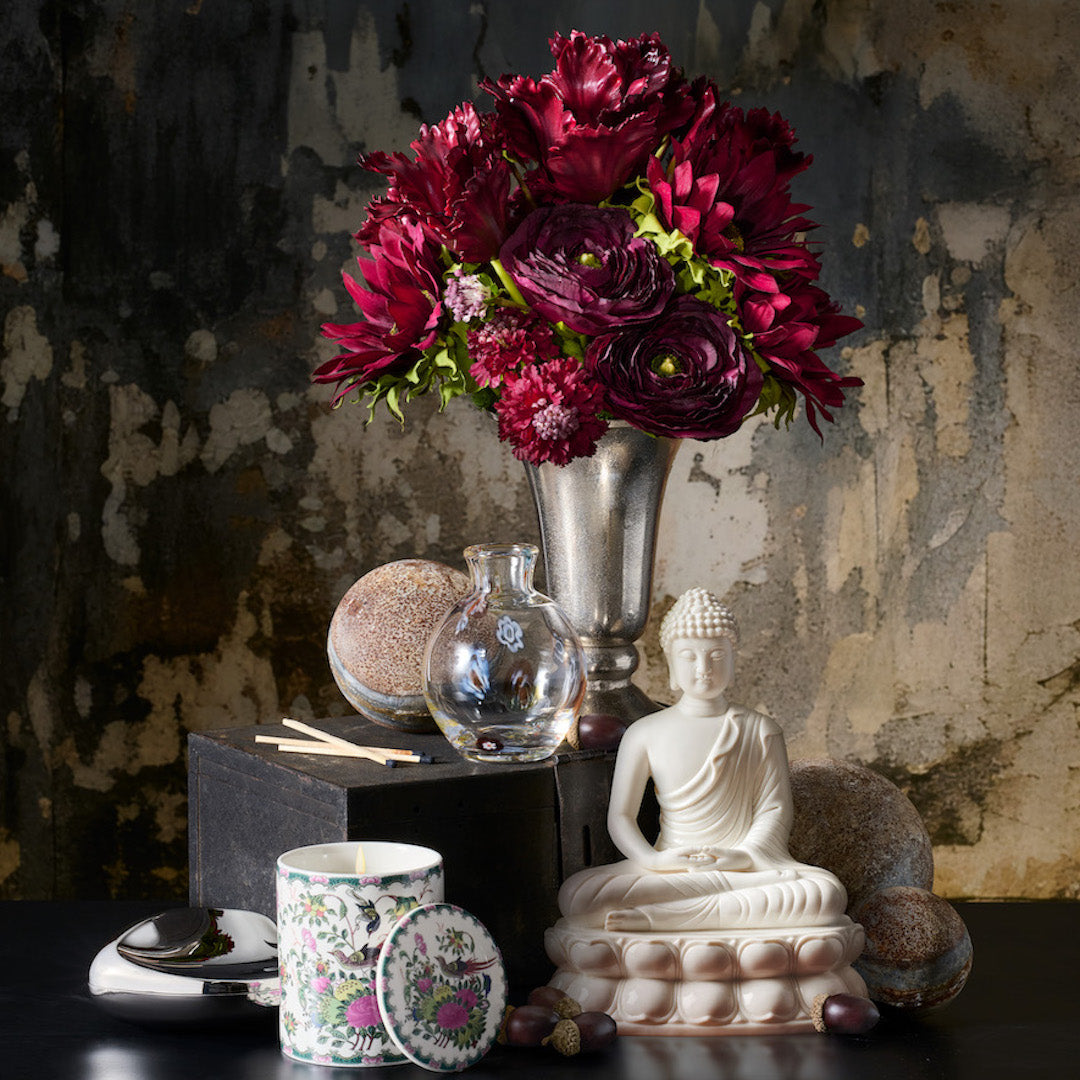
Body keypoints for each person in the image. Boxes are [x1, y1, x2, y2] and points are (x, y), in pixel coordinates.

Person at [558, 588, 846, 932]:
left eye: (716, 656)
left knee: (823, 893)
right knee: (579, 897)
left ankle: (660, 919)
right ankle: (694, 914)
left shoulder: (760, 730)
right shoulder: (644, 732)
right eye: (689, 657)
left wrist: (743, 855)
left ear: (733, 660)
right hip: (670, 869)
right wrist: (655, 861)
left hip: (741, 867)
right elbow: (621, 818)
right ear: (671, 664)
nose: (703, 668)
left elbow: (775, 810)